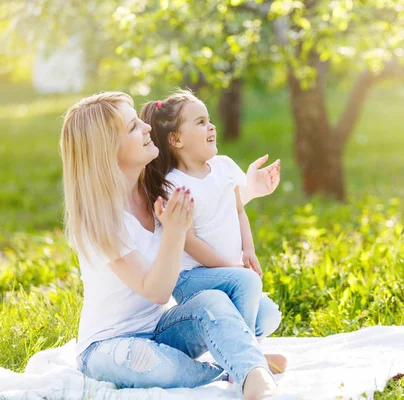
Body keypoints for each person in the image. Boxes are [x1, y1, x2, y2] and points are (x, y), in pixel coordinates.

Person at [60, 91, 278, 399]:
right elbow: (157, 290)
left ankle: (252, 373)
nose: (147, 128)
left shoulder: (154, 190)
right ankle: (237, 363)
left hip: (162, 328)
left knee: (214, 303)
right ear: (107, 149)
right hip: (108, 346)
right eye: (133, 127)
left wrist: (251, 190)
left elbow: (211, 205)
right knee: (157, 367)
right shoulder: (100, 220)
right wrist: (175, 233)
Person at [139, 90, 286, 373]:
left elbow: (238, 210)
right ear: (176, 139)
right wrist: (231, 268)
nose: (212, 126)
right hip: (191, 277)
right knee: (247, 284)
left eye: (209, 120)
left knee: (268, 315)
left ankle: (238, 349)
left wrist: (248, 251)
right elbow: (188, 241)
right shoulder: (175, 185)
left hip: (227, 271)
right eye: (200, 122)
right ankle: (246, 362)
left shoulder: (224, 167)